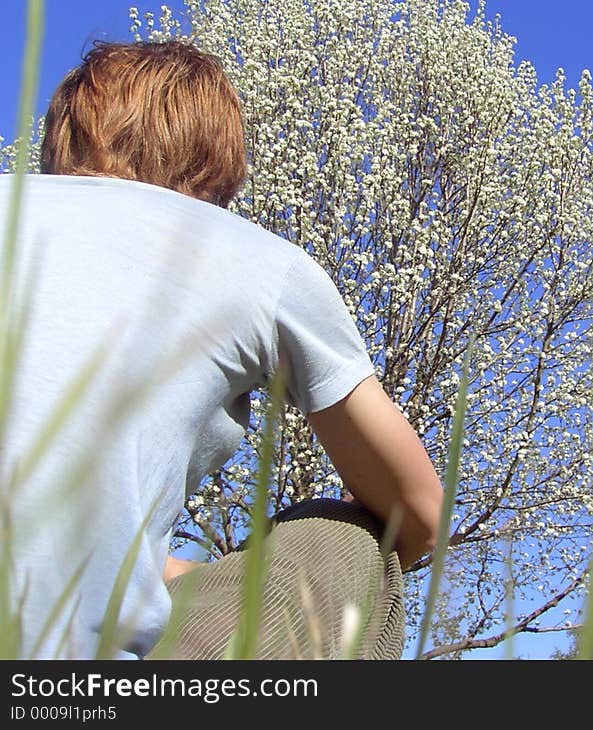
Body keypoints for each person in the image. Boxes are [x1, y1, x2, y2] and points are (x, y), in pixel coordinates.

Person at [0, 39, 443, 659]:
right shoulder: (260, 261)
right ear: (218, 164)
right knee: (351, 534)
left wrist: (169, 570)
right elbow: (419, 516)